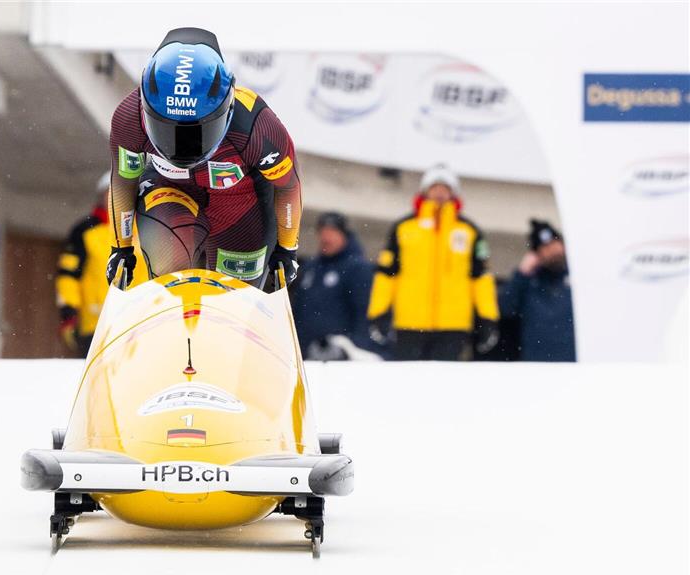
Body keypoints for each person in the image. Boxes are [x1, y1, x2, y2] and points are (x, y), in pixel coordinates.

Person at [104, 27, 302, 291]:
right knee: (171, 275)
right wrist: (121, 247)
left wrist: (287, 247)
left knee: (233, 299)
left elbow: (288, 186)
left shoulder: (257, 126)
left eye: (198, 130)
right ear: (146, 109)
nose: (182, 146)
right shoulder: (129, 119)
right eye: (167, 129)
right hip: (170, 191)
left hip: (241, 208)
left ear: (227, 108)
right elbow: (123, 181)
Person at [367, 164, 500, 361]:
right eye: (434, 187)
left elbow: (481, 279)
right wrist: (378, 313)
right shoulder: (404, 228)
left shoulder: (469, 231)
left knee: (446, 378)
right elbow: (386, 275)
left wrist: (488, 318)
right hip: (410, 323)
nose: (439, 193)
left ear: (453, 193)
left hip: (453, 325)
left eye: (445, 188)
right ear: (425, 191)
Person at [56, 173, 147, 357]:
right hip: (96, 325)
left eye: (124, 193)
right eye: (111, 193)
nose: (118, 198)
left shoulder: (148, 228)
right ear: (101, 197)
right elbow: (68, 275)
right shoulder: (84, 231)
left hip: (142, 323)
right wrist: (68, 311)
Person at [291, 212, 376, 360]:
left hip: (339, 354)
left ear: (344, 235)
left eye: (331, 232)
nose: (326, 238)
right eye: (322, 232)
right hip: (304, 352)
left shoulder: (357, 268)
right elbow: (298, 307)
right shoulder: (311, 267)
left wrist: (354, 347)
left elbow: (363, 311)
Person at [499, 220, 576, 362]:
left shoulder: (578, 278)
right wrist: (521, 274)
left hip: (573, 362)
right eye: (545, 248)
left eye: (555, 244)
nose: (553, 251)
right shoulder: (528, 282)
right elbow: (505, 309)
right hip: (536, 364)